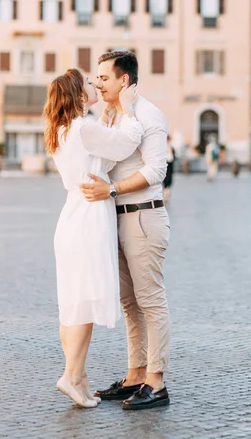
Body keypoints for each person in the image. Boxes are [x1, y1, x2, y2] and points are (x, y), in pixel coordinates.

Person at [43, 68, 143, 408]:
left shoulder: (62, 129)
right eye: (89, 82)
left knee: (71, 304)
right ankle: (70, 376)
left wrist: (107, 114)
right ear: (78, 94)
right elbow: (126, 142)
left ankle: (79, 377)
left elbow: (99, 140)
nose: (95, 84)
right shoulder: (84, 129)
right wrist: (126, 109)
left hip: (72, 215)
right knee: (83, 303)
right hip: (89, 216)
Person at [79, 50, 171, 411]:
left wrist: (112, 190)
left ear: (124, 80)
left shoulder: (149, 115)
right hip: (117, 218)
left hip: (143, 217)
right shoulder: (115, 114)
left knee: (151, 301)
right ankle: (135, 375)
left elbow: (155, 171)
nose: (98, 83)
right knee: (130, 303)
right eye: (97, 78)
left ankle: (157, 382)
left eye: (104, 77)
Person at [163, 135, 176, 202]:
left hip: (170, 167)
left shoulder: (171, 148)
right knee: (165, 181)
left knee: (169, 181)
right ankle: (165, 194)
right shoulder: (162, 147)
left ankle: (167, 194)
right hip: (164, 167)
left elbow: (174, 158)